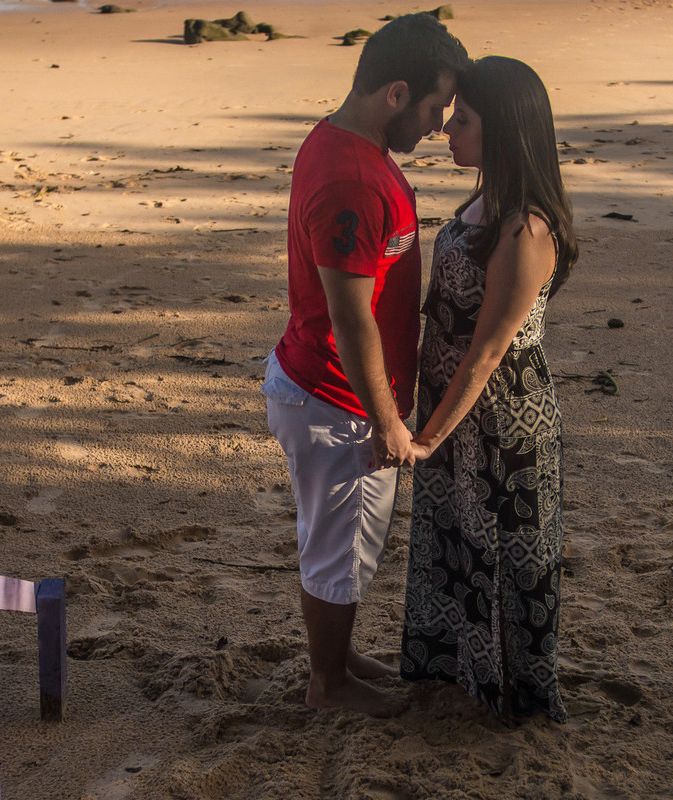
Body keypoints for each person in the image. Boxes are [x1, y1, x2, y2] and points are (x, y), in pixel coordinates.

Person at [261, 14, 469, 718]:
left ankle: (336, 655)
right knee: (343, 548)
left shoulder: (346, 142)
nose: (439, 125)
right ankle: (330, 685)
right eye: (436, 107)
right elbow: (350, 316)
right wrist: (385, 419)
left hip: (319, 384)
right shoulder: (352, 177)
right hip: (335, 398)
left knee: (332, 538)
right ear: (396, 92)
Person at [400, 56, 579, 723]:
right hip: (455, 411)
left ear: (501, 131)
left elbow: (489, 351)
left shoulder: (525, 228)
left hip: (502, 420)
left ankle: (514, 700)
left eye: (464, 121)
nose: (448, 131)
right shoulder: (482, 203)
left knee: (505, 556)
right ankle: (461, 675)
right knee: (457, 542)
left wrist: (425, 439)